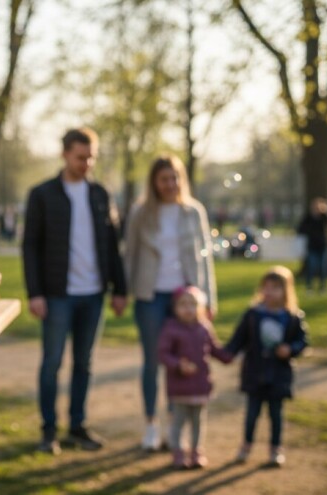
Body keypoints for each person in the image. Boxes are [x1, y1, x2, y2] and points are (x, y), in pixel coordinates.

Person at [22, 127, 127, 455]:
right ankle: (48, 431)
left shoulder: (100, 194)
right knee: (52, 362)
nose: (87, 163)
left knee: (84, 363)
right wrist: (35, 293)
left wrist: (120, 289)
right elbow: (30, 247)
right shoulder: (42, 194)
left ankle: (77, 427)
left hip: (93, 294)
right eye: (81, 157)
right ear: (65, 154)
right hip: (56, 294)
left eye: (91, 157)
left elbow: (112, 245)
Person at [124, 154, 216, 451]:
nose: (170, 184)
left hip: (185, 297)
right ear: (154, 181)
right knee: (153, 361)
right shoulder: (141, 213)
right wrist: (123, 292)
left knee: (185, 361)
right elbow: (131, 254)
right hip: (150, 295)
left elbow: (205, 259)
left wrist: (208, 298)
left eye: (175, 177)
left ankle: (177, 426)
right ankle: (152, 424)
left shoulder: (193, 212)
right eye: (164, 178)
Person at [223, 266, 309, 467]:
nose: (269, 292)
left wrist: (291, 348)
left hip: (279, 376)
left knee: (276, 415)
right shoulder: (253, 314)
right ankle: (246, 446)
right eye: (266, 287)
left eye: (275, 288)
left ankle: (275, 448)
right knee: (252, 414)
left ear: (285, 291)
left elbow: (303, 342)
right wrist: (225, 354)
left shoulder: (292, 317)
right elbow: (238, 339)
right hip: (254, 372)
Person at [157, 286, 231, 469]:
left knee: (198, 421)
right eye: (183, 304)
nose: (188, 308)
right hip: (179, 387)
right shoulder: (171, 328)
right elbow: (163, 353)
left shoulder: (204, 327)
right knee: (179, 421)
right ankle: (178, 451)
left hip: (200, 385)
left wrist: (230, 355)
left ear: (200, 307)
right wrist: (178, 365)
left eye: (193, 304)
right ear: (175, 307)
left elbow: (214, 349)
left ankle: (197, 451)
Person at [297, 198, 327, 293]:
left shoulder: (324, 217)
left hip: (322, 245)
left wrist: (326, 212)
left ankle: (323, 287)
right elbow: (300, 229)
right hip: (312, 246)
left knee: (323, 267)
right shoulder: (308, 217)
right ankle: (309, 287)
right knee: (311, 266)